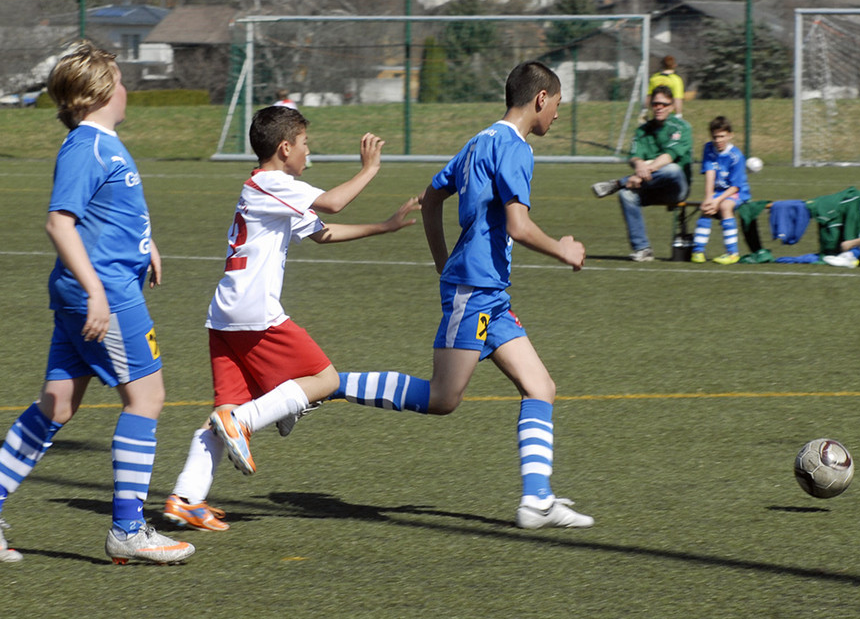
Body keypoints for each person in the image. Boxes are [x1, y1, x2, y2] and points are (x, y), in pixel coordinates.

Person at [207, 62, 594, 531]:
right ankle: (320, 390)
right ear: (540, 99)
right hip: (475, 290)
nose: (557, 113)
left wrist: (441, 262)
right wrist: (564, 249)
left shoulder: (479, 142)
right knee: (441, 398)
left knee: (540, 388)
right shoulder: (514, 149)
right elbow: (518, 225)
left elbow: (432, 199)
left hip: (487, 292)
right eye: (557, 104)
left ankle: (537, 500)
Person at [0, 41, 195, 565]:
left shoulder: (101, 143)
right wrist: (100, 292)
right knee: (147, 399)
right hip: (102, 294)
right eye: (121, 80)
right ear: (99, 92)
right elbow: (60, 222)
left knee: (58, 404)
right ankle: (128, 529)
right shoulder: (88, 146)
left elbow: (104, 213)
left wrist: (144, 243)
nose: (128, 89)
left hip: (85, 288)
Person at [162, 106, 419, 532]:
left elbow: (323, 232)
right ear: (285, 148)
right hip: (253, 311)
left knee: (222, 410)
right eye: (305, 145)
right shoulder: (275, 183)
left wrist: (385, 226)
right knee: (324, 379)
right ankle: (245, 421)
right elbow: (334, 204)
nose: (309, 154)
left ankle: (186, 498)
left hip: (224, 313)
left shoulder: (272, 190)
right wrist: (370, 169)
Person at [591, 85, 692, 262]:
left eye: (663, 104)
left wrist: (645, 170)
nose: (659, 107)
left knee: (673, 169)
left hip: (675, 189)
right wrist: (639, 165)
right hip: (650, 186)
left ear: (672, 106)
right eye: (655, 104)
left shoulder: (681, 127)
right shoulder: (643, 130)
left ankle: (618, 183)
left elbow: (670, 156)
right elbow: (634, 157)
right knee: (626, 195)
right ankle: (643, 249)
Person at [691, 116, 750, 265]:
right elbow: (710, 174)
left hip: (736, 192)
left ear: (730, 135)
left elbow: (736, 186)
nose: (718, 140)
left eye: (722, 136)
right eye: (715, 136)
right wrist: (709, 198)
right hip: (718, 191)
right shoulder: (708, 148)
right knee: (706, 208)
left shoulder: (736, 156)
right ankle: (698, 251)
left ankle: (732, 253)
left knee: (725, 206)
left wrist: (717, 200)